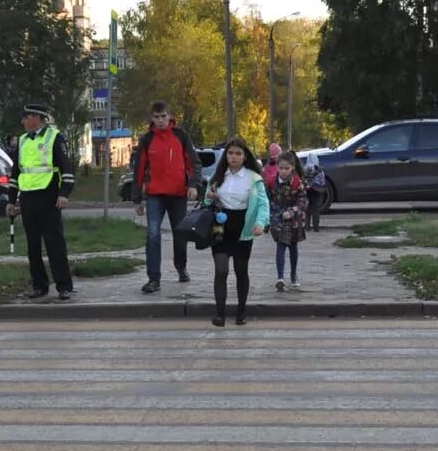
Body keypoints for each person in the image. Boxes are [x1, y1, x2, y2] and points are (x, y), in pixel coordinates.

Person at [5, 102, 75, 300]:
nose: (24, 121)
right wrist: (11, 199)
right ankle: (39, 285)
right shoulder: (23, 141)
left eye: (27, 117)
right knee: (33, 245)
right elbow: (16, 172)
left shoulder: (54, 137)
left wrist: (64, 194)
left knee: (55, 243)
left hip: (49, 195)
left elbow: (66, 167)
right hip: (28, 197)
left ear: (38, 117)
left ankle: (64, 286)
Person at [130, 100, 202, 293]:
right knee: (153, 234)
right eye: (157, 117)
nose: (161, 120)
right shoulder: (147, 140)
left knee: (180, 235)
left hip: (178, 195)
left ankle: (181, 266)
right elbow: (138, 170)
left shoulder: (181, 136)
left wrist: (193, 185)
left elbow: (194, 163)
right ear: (151, 118)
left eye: (164, 116)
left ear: (170, 116)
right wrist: (137, 198)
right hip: (155, 196)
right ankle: (154, 279)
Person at [202, 138, 269, 327]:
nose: (234, 157)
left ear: (245, 156)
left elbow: (263, 204)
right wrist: (209, 196)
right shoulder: (218, 176)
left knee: (241, 270)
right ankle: (220, 314)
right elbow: (207, 203)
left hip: (243, 227)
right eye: (230, 153)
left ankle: (241, 312)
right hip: (220, 226)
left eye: (238, 153)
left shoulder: (253, 178)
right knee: (221, 270)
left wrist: (260, 223)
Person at [268, 149, 309, 291]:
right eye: (281, 168)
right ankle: (280, 277)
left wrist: (293, 211)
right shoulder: (272, 182)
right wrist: (273, 214)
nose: (284, 171)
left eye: (287, 168)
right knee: (280, 246)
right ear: (277, 167)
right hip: (278, 219)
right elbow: (267, 200)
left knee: (293, 248)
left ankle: (293, 275)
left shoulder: (297, 183)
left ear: (292, 167)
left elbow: (303, 201)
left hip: (294, 220)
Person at [305, 154, 328, 232]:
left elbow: (303, 179)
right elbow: (322, 182)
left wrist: (308, 185)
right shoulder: (320, 170)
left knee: (307, 209)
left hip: (308, 191)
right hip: (318, 191)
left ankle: (307, 227)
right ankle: (316, 227)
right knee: (316, 209)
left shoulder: (305, 168)